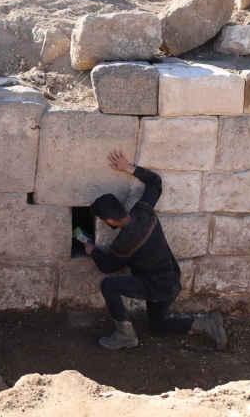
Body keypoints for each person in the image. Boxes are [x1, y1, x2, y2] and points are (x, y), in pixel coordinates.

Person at [84, 149, 227, 351]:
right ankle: (206, 323)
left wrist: (92, 250)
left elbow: (107, 267)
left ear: (108, 221)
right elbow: (155, 182)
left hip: (155, 287)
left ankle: (125, 335)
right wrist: (128, 167)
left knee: (108, 286)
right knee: (156, 328)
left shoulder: (124, 243)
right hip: (171, 282)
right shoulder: (144, 211)